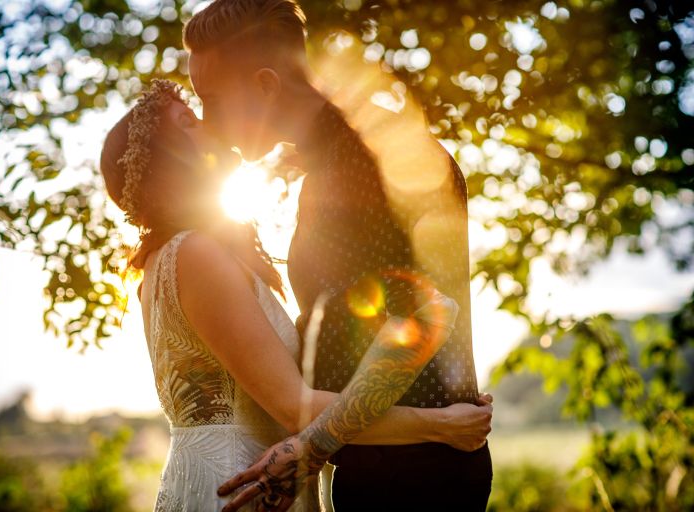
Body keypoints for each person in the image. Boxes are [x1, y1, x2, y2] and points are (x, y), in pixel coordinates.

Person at [98, 79, 493, 511]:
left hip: (233, 478)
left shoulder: (175, 259)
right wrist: (440, 423)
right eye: (190, 120)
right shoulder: (195, 254)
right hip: (242, 485)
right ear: (167, 163)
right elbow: (296, 409)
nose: (211, 121)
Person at [183, 1, 494, 510]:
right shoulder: (333, 163)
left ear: (265, 86)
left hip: (414, 478)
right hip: (390, 466)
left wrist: (306, 451)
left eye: (212, 99)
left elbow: (423, 320)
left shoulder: (365, 162)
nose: (207, 121)